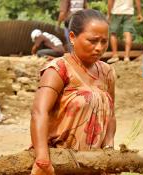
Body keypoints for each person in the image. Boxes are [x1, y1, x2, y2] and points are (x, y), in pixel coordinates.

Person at [30, 9, 116, 174]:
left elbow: (111, 115)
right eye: (92, 41)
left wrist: (109, 151)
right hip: (59, 163)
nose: (99, 48)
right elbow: (39, 112)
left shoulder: (107, 72)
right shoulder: (58, 69)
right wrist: (42, 158)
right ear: (72, 37)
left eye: (104, 42)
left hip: (94, 165)